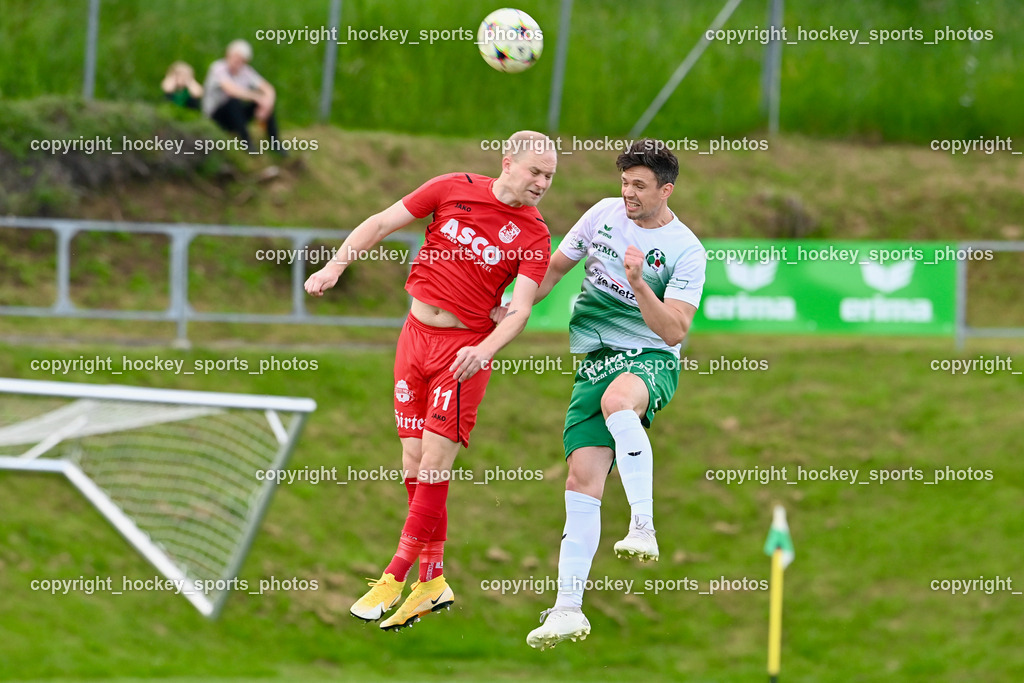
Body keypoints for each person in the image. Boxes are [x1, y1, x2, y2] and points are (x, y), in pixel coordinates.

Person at [304, 131, 557, 631]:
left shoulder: (534, 235)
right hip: (414, 336)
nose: (542, 183)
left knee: (437, 463)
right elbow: (380, 222)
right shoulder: (451, 188)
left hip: (463, 353)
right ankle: (434, 579)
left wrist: (483, 350)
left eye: (549, 176)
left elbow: (521, 310)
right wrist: (336, 266)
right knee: (414, 461)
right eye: (535, 172)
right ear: (508, 162)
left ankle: (393, 577)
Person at [524, 139, 706, 649]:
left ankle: (643, 526)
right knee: (580, 480)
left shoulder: (686, 249)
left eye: (640, 186)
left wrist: (640, 284)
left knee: (618, 403)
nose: (628, 192)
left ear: (666, 190)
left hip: (651, 360)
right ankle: (567, 610)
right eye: (625, 181)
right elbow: (554, 270)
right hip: (594, 363)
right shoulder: (603, 213)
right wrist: (506, 310)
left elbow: (674, 331)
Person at [202, 39, 281, 151]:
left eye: (241, 59)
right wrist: (259, 98)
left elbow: (269, 89)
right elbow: (231, 90)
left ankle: (275, 143)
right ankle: (246, 142)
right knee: (233, 102)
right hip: (217, 117)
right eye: (235, 57)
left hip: (236, 116)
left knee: (264, 102)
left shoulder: (246, 71)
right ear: (228, 54)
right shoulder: (218, 68)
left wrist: (267, 104)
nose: (237, 61)